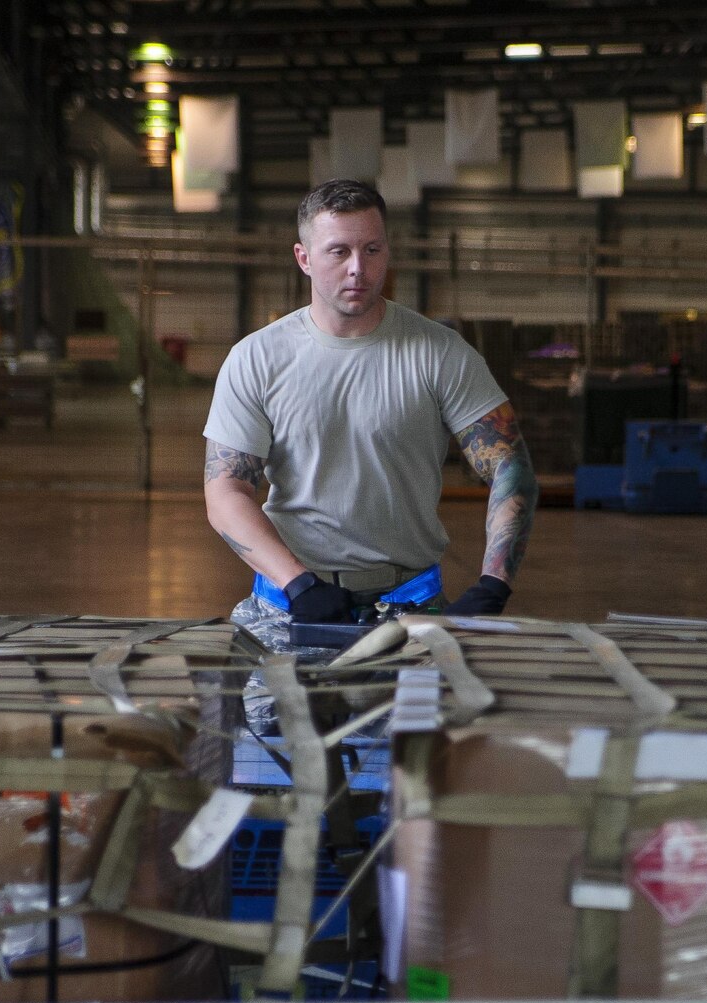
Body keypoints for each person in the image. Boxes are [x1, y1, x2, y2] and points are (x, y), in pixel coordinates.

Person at [203, 179, 539, 650]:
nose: (358, 268)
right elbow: (226, 489)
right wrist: (298, 583)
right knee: (270, 725)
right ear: (304, 258)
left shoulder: (440, 354)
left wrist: (493, 584)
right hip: (289, 604)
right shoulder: (257, 359)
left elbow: (510, 466)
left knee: (416, 725)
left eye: (372, 249)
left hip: (411, 607)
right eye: (338, 252)